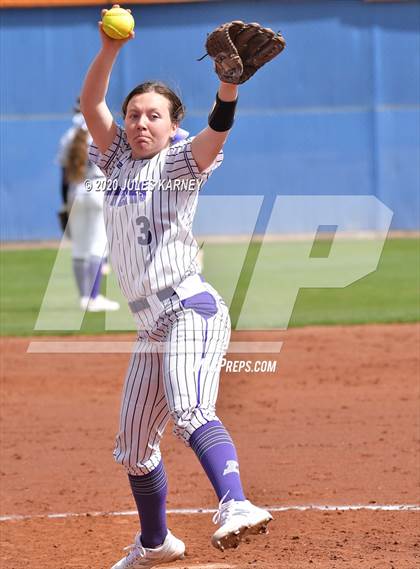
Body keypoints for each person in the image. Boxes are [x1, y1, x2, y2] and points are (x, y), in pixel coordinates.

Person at [80, 8, 284, 568]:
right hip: (150, 324)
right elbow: (92, 104)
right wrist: (109, 50)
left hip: (189, 308)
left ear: (173, 126)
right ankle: (156, 543)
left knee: (193, 408)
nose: (142, 122)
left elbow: (217, 131)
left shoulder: (179, 161)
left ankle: (236, 502)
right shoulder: (115, 157)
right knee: (133, 445)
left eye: (155, 115)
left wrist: (228, 85)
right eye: (135, 114)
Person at [59, 109, 120, 312]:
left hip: (75, 192)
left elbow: (64, 176)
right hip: (98, 190)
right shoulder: (102, 135)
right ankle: (94, 298)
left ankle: (84, 298)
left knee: (79, 248)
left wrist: (64, 204)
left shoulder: (69, 136)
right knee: (97, 246)